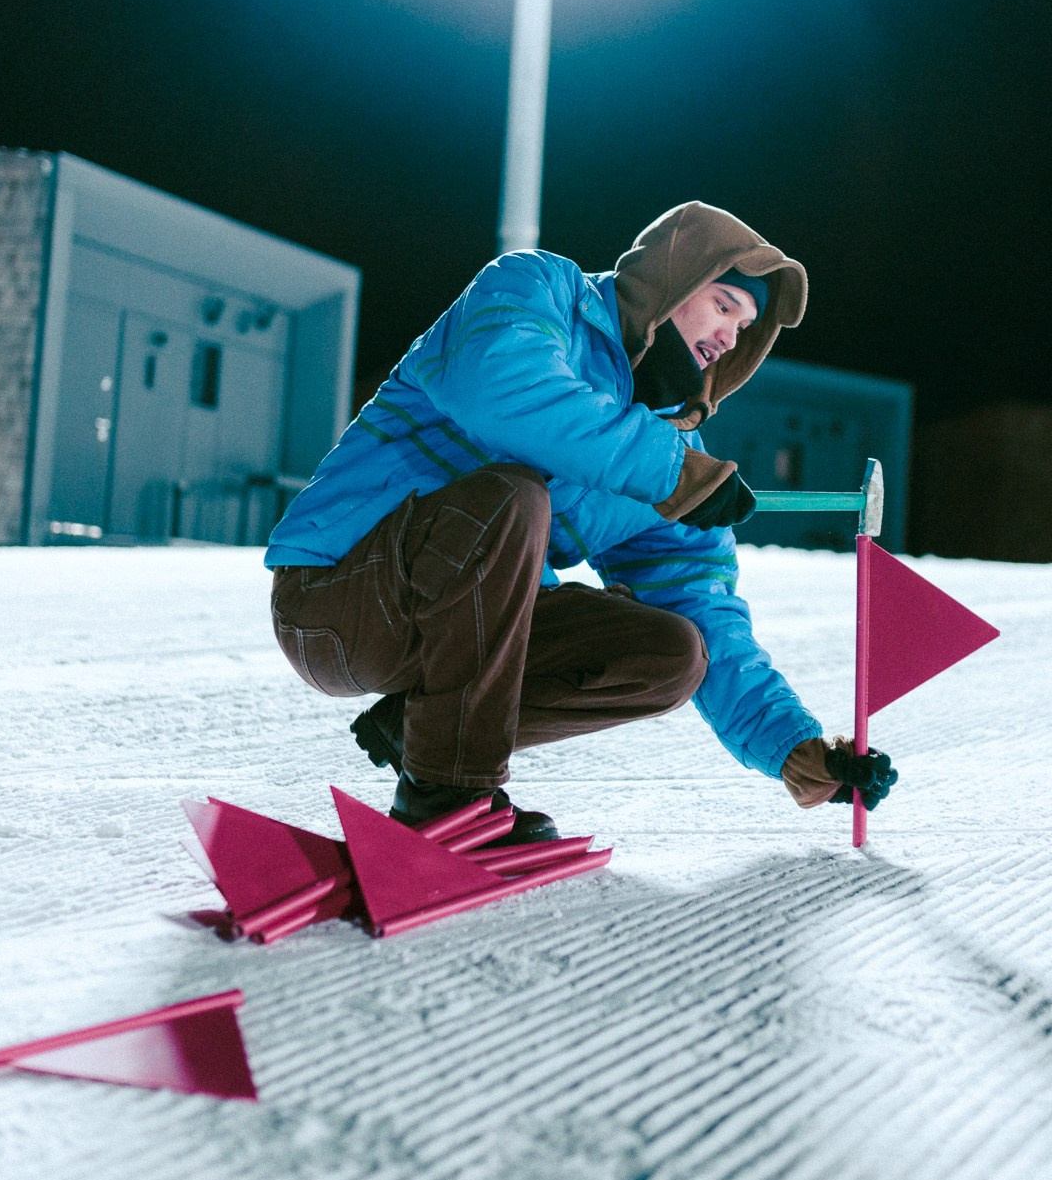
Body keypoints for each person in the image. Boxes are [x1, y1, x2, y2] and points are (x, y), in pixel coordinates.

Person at [263, 201, 897, 843]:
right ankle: (447, 797)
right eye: (726, 305)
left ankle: (424, 740)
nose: (732, 337)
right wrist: (667, 473)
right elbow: (502, 389)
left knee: (676, 653)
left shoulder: (671, 455)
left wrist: (793, 747)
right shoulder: (538, 291)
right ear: (673, 277)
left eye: (748, 326)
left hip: (456, 633)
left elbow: (706, 607)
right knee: (513, 497)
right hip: (339, 598)